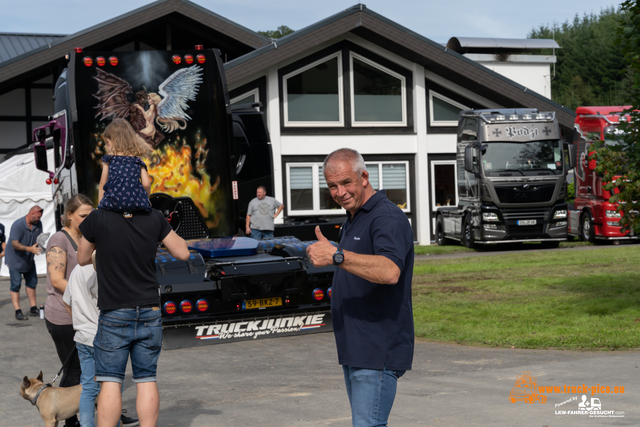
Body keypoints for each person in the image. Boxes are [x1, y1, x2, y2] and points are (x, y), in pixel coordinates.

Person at [306, 148, 414, 426]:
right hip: (357, 347)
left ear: (364, 177)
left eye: (346, 183)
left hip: (376, 349)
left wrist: (336, 256)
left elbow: (390, 271)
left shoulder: (385, 217)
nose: (340, 192)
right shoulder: (355, 216)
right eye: (332, 186)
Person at [77, 194, 190, 427]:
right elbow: (183, 253)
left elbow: (82, 258)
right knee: (146, 378)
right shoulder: (154, 217)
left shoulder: (98, 217)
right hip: (148, 310)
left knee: (110, 381)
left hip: (115, 311)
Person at [62, 263, 139, 427]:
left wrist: (81, 323)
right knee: (113, 386)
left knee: (89, 388)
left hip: (83, 337)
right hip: (104, 336)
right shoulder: (102, 268)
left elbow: (66, 301)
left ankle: (86, 425)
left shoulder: (77, 268)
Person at [44, 194, 93, 427]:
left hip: (86, 314)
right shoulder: (59, 239)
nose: (88, 219)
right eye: (83, 215)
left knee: (91, 371)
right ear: (69, 215)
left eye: (91, 215)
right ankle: (69, 420)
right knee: (74, 371)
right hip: (64, 316)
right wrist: (83, 299)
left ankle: (102, 412)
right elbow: (56, 279)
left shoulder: (89, 237)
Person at [97, 118, 152, 215]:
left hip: (112, 205)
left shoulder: (109, 160)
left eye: (107, 143)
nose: (106, 147)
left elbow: (102, 184)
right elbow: (146, 184)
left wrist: (100, 208)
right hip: (136, 204)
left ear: (115, 141)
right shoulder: (137, 160)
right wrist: (146, 199)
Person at [5, 205, 44, 320]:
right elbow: (14, 243)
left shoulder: (38, 224)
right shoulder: (18, 225)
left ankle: (33, 308)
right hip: (15, 259)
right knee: (16, 285)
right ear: (32, 214)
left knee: (32, 283)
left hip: (28, 259)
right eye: (37, 217)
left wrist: (43, 247)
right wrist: (29, 249)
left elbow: (39, 239)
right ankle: (18, 311)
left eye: (40, 217)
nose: (39, 219)